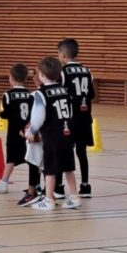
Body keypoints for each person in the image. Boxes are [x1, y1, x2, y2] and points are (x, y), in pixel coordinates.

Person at [25, 56, 80, 211]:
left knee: (50, 169)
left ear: (41, 75)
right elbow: (72, 113)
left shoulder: (40, 94)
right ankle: (74, 197)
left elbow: (38, 117)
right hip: (67, 135)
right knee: (68, 168)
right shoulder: (66, 91)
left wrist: (32, 131)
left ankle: (49, 199)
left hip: (52, 137)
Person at [0, 63, 41, 206]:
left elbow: (6, 113)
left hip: (14, 133)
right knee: (32, 160)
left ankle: (3, 183)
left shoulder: (8, 95)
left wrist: (2, 114)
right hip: (27, 133)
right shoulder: (30, 95)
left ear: (12, 78)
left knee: (11, 160)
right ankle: (35, 185)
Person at [58, 38, 95, 197]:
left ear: (63, 54)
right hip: (85, 118)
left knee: (63, 151)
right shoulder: (87, 71)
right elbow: (91, 94)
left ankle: (59, 186)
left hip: (69, 119)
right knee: (82, 152)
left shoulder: (63, 72)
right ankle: (85, 185)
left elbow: (60, 95)